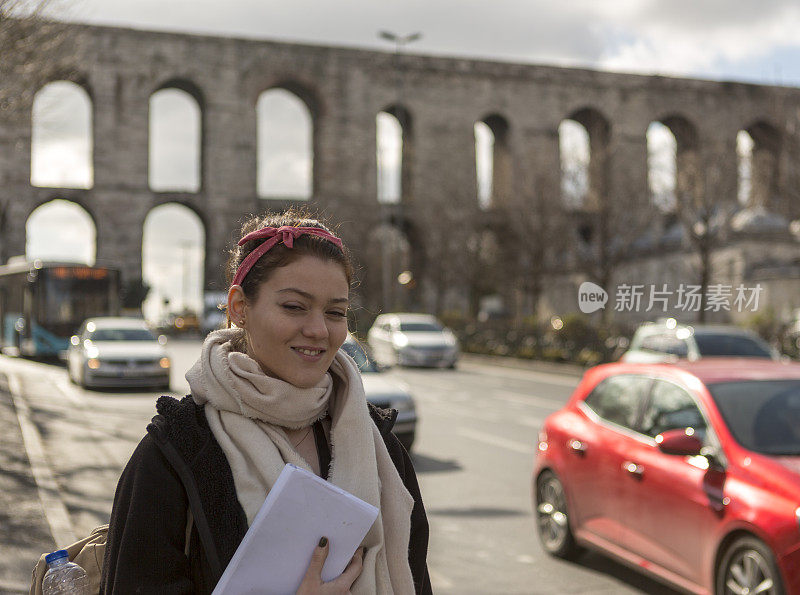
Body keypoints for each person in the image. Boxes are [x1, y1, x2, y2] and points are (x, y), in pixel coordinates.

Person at [101, 209, 432, 594]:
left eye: (335, 312)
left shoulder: (380, 447)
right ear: (240, 307)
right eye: (293, 307)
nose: (318, 330)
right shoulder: (175, 452)